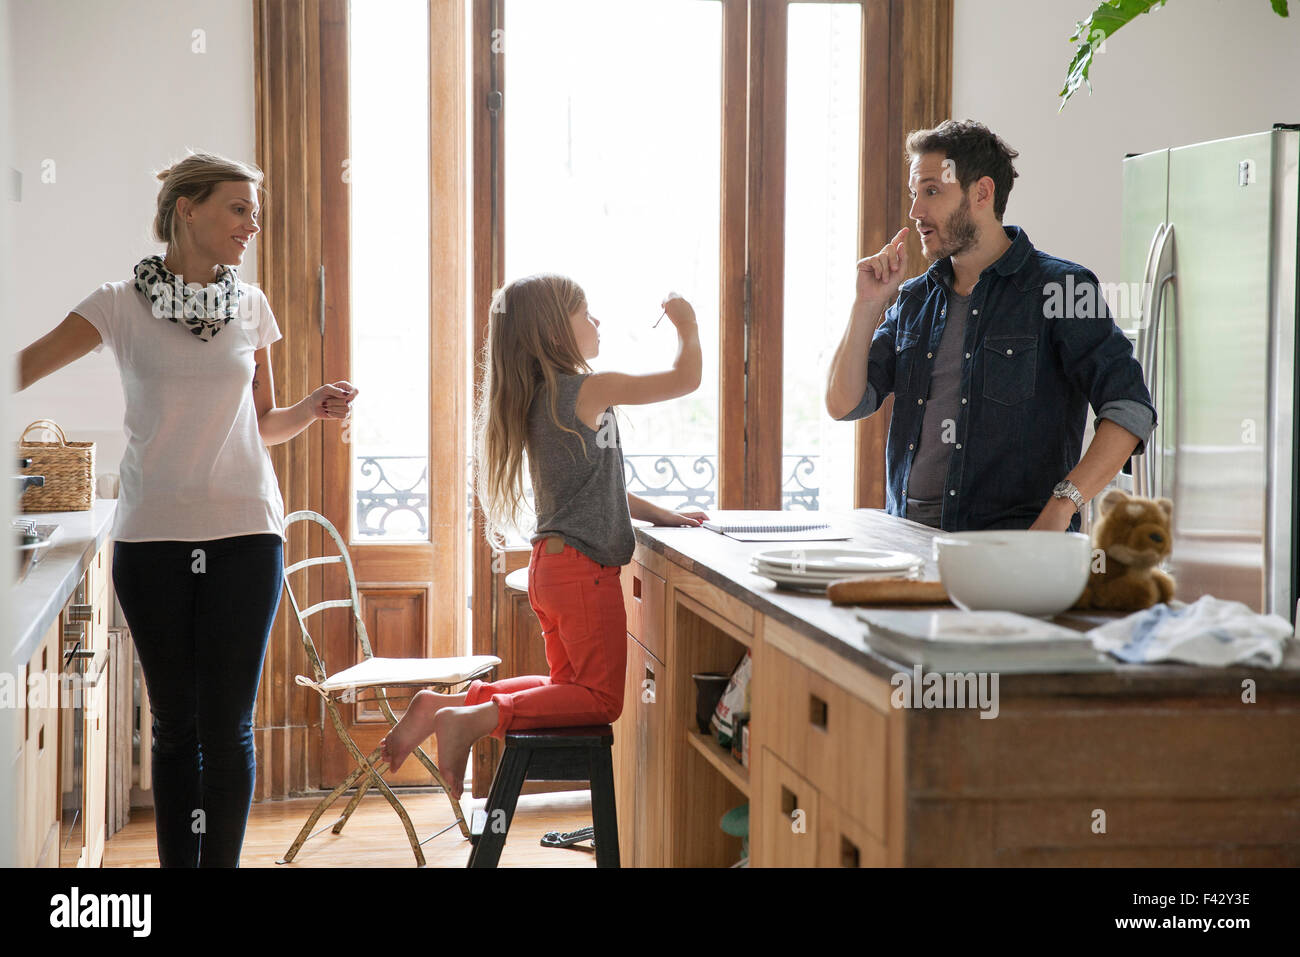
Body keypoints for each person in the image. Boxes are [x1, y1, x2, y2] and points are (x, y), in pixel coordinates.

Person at [15, 150, 358, 866]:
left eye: (253, 212)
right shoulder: (118, 303)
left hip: (246, 534)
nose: (251, 224)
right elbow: (23, 365)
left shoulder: (251, 305)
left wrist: (312, 408)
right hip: (153, 540)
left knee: (229, 727)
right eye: (238, 208)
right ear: (186, 210)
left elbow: (262, 422)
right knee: (175, 728)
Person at [381, 274, 705, 799]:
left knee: (567, 691)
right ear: (555, 331)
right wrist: (687, 325)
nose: (597, 322)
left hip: (552, 569)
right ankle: (475, 718)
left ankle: (445, 706)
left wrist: (658, 514)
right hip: (583, 573)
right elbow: (683, 379)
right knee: (600, 700)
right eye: (586, 313)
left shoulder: (539, 398)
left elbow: (595, 487)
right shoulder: (585, 389)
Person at [825, 119, 1155, 532]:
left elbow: (1129, 408)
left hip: (1013, 552)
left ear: (981, 193)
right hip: (909, 539)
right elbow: (845, 403)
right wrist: (866, 305)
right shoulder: (914, 298)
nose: (915, 211)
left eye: (931, 191)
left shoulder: (1063, 288)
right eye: (915, 194)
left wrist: (1061, 509)